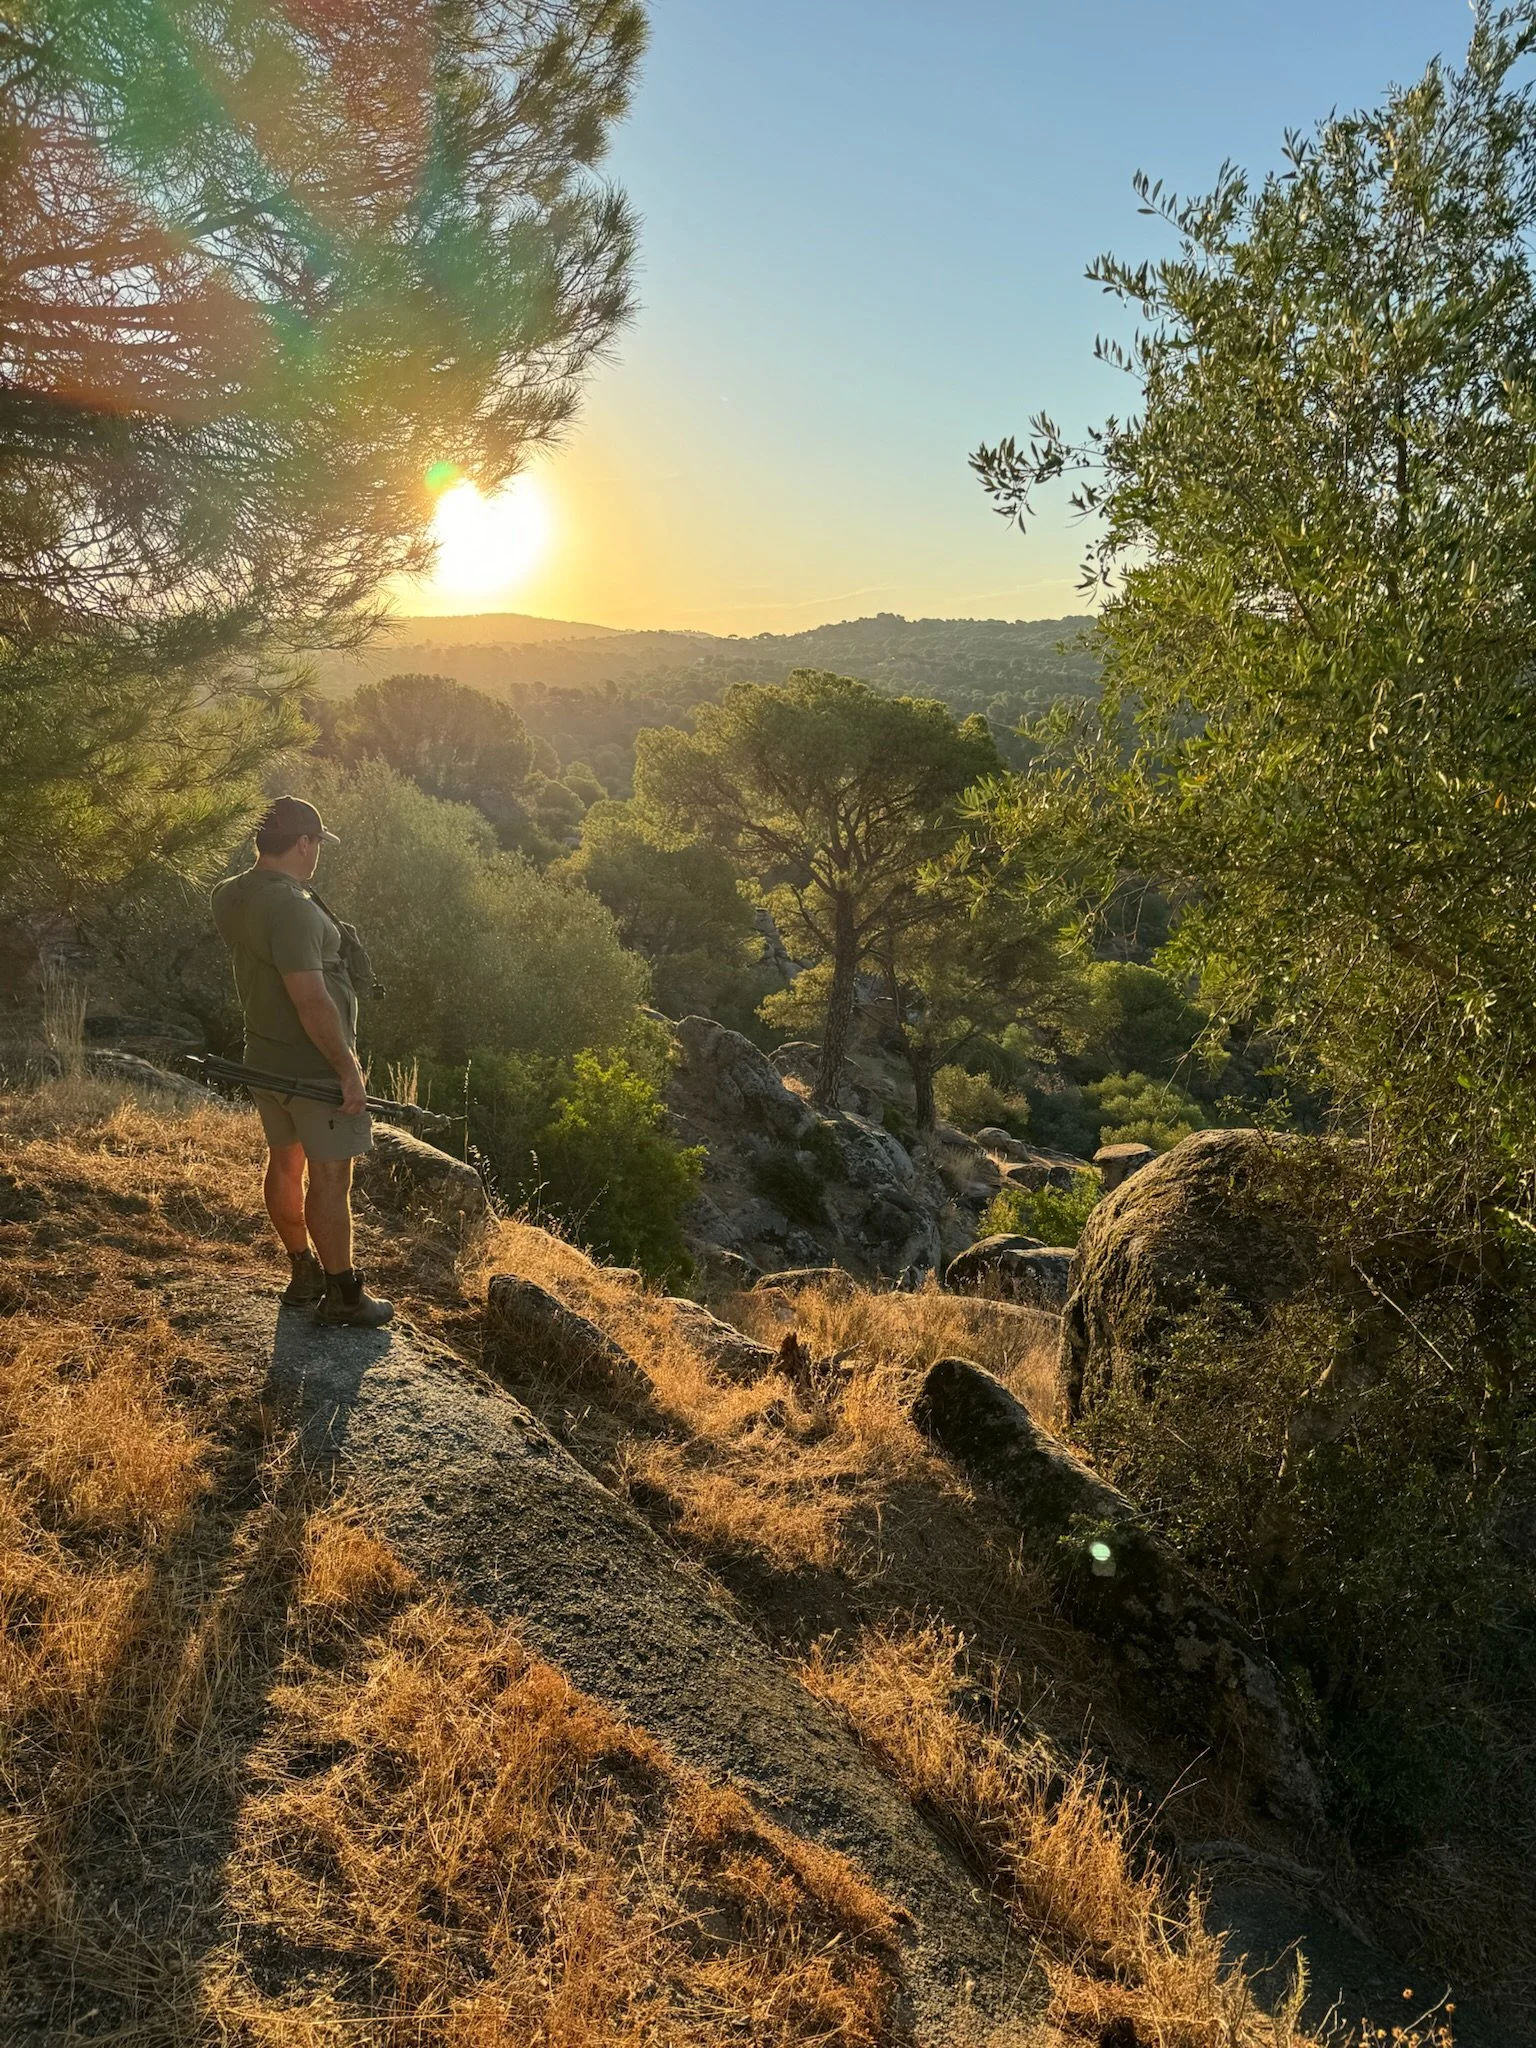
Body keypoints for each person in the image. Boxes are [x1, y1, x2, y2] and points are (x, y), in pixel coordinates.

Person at [211, 795, 393, 1327]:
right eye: (316, 845)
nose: (317, 856)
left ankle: (302, 1269)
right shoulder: (291, 908)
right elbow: (310, 999)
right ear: (304, 843)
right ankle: (343, 1294)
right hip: (311, 1069)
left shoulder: (230, 895)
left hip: (262, 1058)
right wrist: (347, 1071)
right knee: (331, 1177)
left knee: (284, 1162)